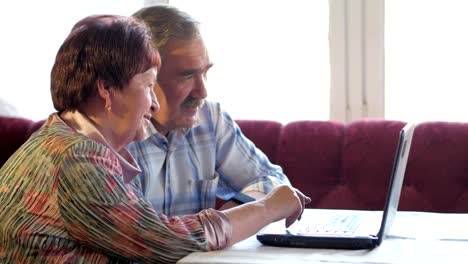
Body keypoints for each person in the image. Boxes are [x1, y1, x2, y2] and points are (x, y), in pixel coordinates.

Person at [0, 14, 310, 263]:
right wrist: (267, 208)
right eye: (148, 86)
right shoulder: (77, 159)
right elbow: (168, 243)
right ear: (106, 89)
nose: (154, 103)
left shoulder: (65, 138)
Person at [129, 4, 302, 216]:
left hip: (204, 248)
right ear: (143, 78)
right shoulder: (114, 134)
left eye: (204, 73)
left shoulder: (209, 118)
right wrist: (221, 225)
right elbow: (136, 236)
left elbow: (274, 181)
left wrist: (240, 206)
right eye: (186, 76)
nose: (202, 92)